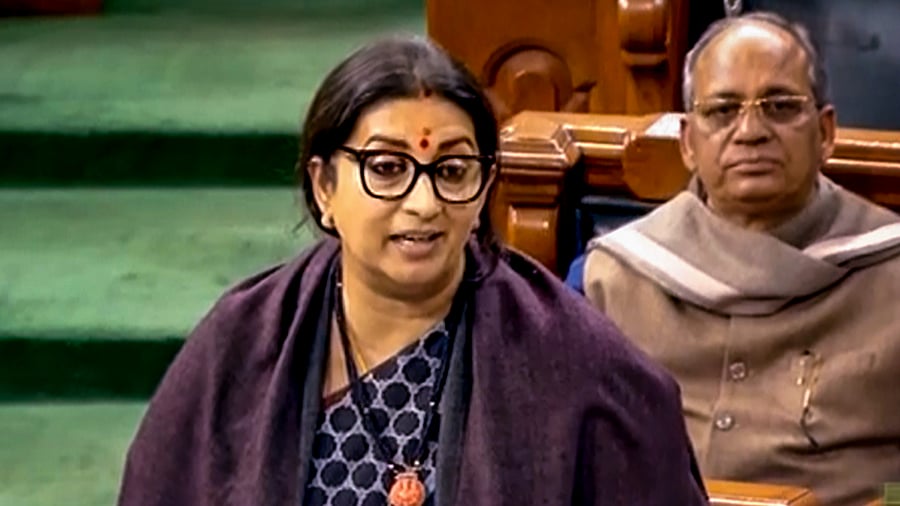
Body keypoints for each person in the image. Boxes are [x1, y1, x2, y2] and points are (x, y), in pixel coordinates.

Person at [117, 36, 706, 506]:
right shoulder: (242, 344)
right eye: (387, 168)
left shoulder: (573, 362)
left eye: (451, 171)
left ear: (484, 188)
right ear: (324, 187)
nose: (424, 204)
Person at [584, 12, 900, 506]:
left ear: (825, 132)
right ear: (688, 142)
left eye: (780, 106)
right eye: (723, 110)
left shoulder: (890, 270)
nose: (750, 131)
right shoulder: (612, 278)